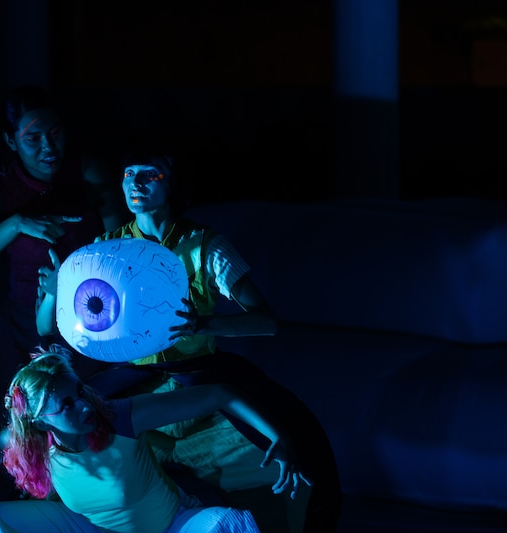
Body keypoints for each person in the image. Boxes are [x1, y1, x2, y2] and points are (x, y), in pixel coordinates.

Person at [35, 148, 341, 532]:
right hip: (133, 382)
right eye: (130, 173)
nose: (136, 182)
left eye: (151, 175)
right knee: (75, 450)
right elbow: (50, 326)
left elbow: (266, 322)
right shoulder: (107, 248)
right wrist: (53, 291)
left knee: (280, 456)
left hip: (195, 376)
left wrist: (205, 325)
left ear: (174, 186)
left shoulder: (203, 246)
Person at [0, 344, 307, 532]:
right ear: (42, 423)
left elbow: (219, 394)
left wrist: (279, 436)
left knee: (228, 524)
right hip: (93, 530)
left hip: (169, 526)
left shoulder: (120, 417)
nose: (84, 406)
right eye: (66, 406)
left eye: (79, 393)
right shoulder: (27, 446)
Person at [0, 84, 126, 406]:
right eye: (33, 139)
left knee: (91, 408)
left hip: (91, 312)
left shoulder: (87, 171)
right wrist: (17, 223)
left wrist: (72, 281)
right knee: (24, 414)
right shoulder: (1, 188)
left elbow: (122, 244)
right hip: (24, 322)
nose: (48, 146)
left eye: (55, 133)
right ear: (11, 141)